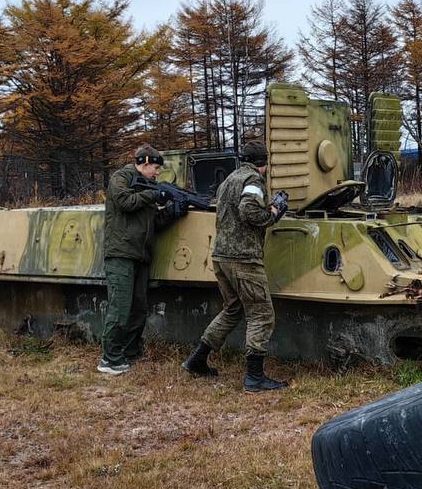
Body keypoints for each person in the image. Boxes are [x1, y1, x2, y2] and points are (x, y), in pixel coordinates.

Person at [183, 140, 290, 392]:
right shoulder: (253, 179)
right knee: (261, 314)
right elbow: (248, 210)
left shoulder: (229, 179)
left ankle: (197, 359)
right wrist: (273, 213)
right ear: (263, 162)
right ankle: (254, 377)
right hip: (243, 259)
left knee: (232, 310)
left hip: (221, 256)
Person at [98, 144, 169, 375]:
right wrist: (153, 194)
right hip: (121, 253)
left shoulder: (147, 186)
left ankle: (129, 352)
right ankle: (109, 358)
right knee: (120, 307)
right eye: (155, 167)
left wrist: (173, 210)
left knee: (138, 308)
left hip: (140, 254)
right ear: (144, 163)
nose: (157, 172)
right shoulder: (121, 177)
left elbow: (153, 223)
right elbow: (124, 202)